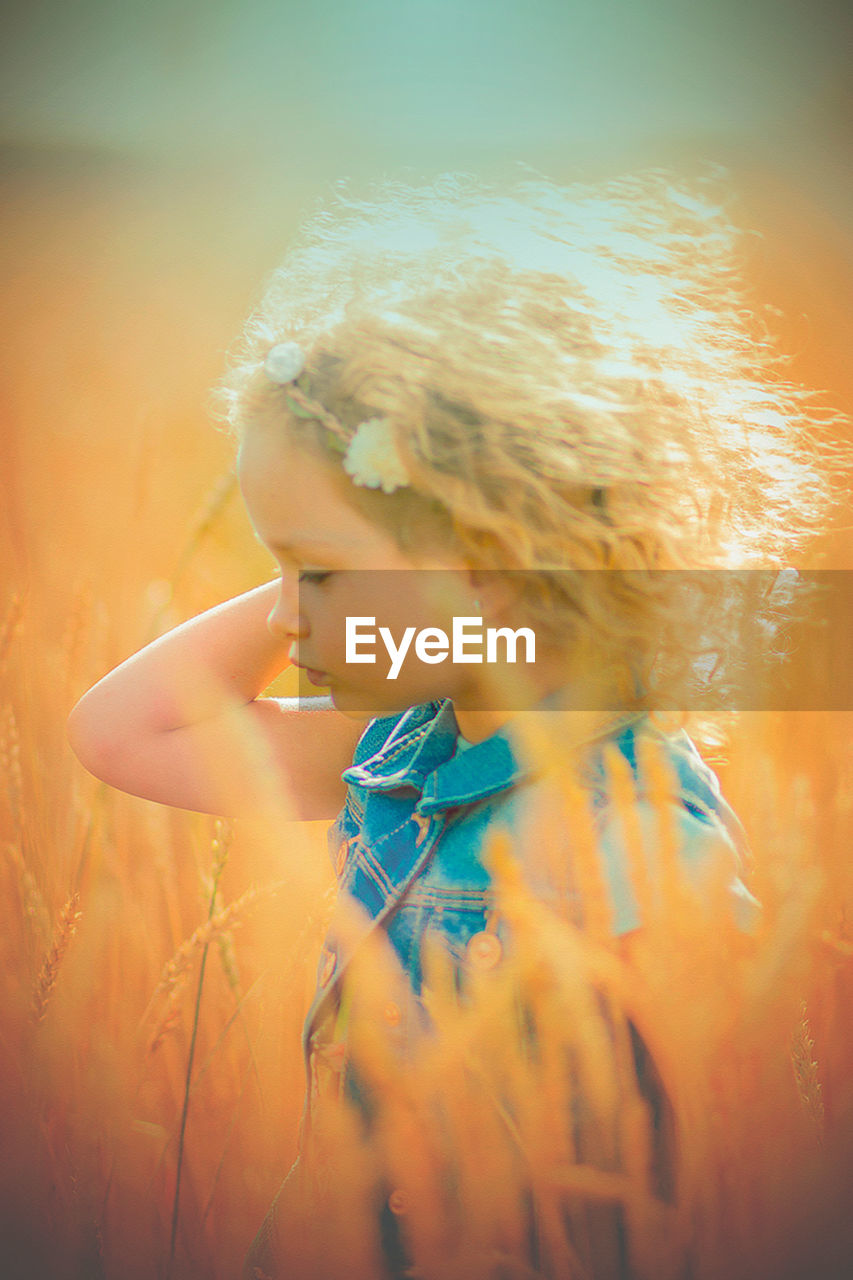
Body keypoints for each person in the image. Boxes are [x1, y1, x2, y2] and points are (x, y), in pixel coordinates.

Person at [67, 171, 830, 1279]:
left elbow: (717, 1169)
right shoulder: (391, 748)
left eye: (316, 570)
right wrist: (328, 564)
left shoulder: (639, 828)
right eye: (278, 567)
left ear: (496, 562)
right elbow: (121, 730)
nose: (283, 615)